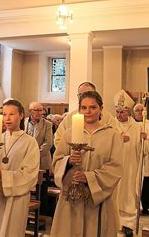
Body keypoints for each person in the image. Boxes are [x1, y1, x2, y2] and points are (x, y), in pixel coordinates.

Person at [51, 91, 123, 236]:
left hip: (97, 199)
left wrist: (89, 178)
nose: (88, 111)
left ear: (101, 109)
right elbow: (56, 162)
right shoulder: (68, 134)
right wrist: (68, 161)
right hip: (71, 198)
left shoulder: (112, 135)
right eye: (83, 108)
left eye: (92, 107)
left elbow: (116, 167)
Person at [0, 99, 39, 237]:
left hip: (16, 197)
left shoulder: (30, 143)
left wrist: (3, 175)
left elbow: (30, 174)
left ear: (21, 115)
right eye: (5, 114)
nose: (7, 118)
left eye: (12, 114)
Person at [54, 81, 120, 147]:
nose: (83, 97)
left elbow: (116, 138)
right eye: (80, 95)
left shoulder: (107, 117)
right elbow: (58, 139)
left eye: (88, 94)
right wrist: (71, 154)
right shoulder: (70, 117)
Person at [114, 89, 141, 237]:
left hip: (131, 166)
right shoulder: (111, 126)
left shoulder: (137, 127)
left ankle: (128, 225)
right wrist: (119, 140)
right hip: (115, 167)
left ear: (129, 112)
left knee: (129, 193)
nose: (119, 115)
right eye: (117, 112)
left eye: (122, 112)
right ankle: (115, 222)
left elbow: (144, 151)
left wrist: (144, 140)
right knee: (116, 193)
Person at [24, 101, 52, 215]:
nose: (40, 112)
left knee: (43, 191)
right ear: (30, 111)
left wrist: (34, 155)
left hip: (42, 161)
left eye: (41, 110)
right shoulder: (24, 122)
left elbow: (48, 143)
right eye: (37, 110)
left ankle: (42, 215)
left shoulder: (47, 124)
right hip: (25, 161)